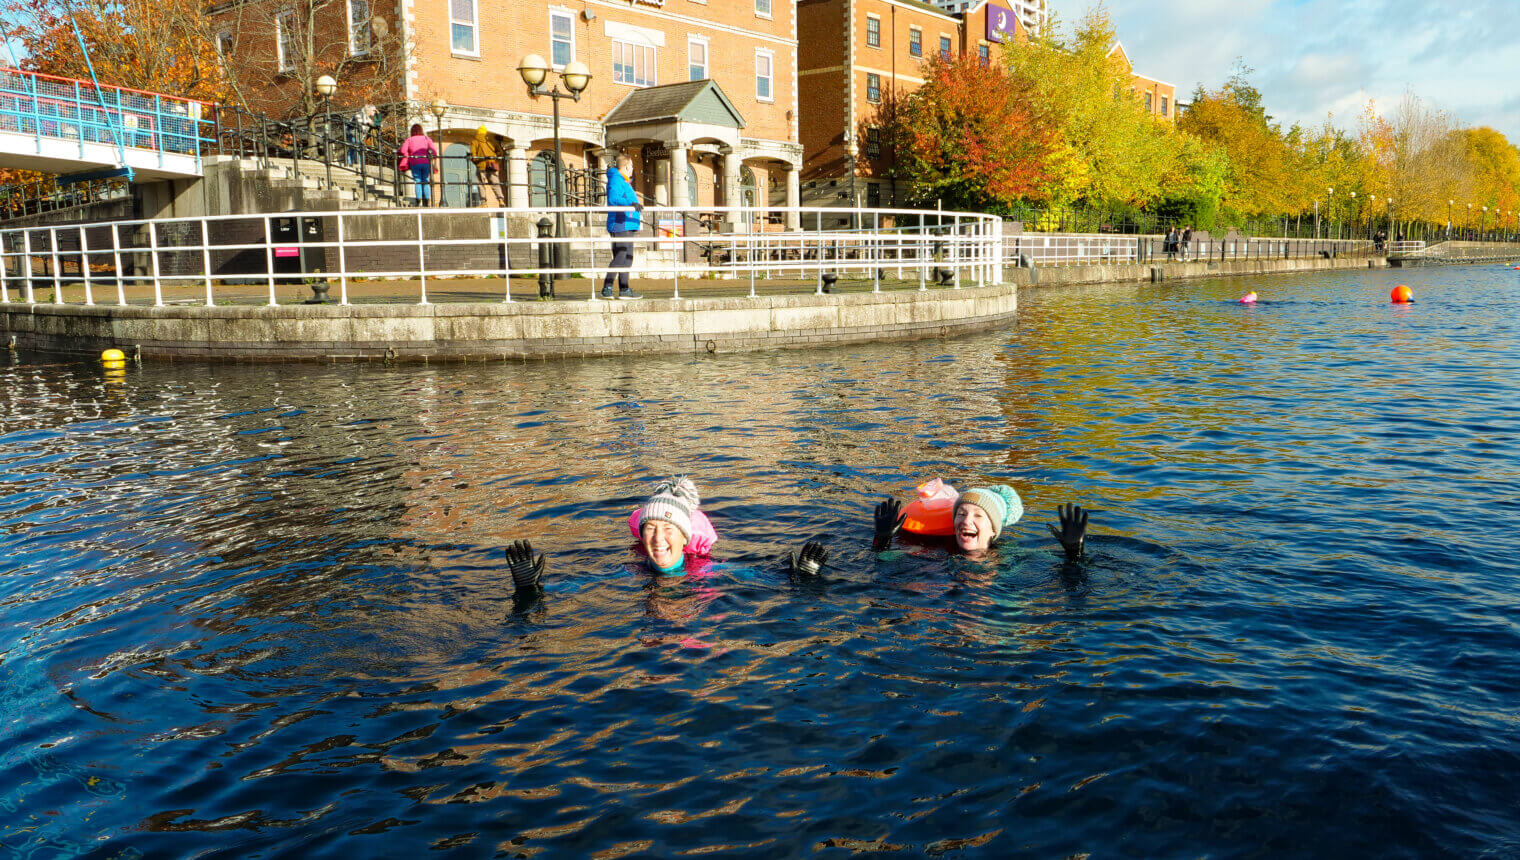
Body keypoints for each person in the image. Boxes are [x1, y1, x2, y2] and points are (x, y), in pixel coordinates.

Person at [873, 485, 1088, 561]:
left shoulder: (1013, 561)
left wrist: (1074, 555)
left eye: (978, 515)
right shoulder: (936, 554)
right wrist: (882, 542)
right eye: (961, 513)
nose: (966, 521)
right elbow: (885, 570)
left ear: (994, 530)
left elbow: (1066, 593)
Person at [602, 152, 643, 300]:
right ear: (626, 166)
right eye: (631, 166)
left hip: (628, 223)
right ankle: (607, 287)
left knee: (627, 257)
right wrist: (631, 203)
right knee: (621, 256)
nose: (632, 169)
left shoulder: (624, 181)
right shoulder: (616, 179)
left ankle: (624, 289)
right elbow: (613, 199)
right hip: (620, 222)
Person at [398, 123, 439, 207]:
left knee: (417, 181)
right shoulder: (426, 139)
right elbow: (434, 152)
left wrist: (407, 154)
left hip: (415, 162)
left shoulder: (409, 140)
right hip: (425, 162)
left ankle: (418, 200)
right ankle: (427, 200)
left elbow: (402, 150)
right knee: (425, 180)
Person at [469, 126, 502, 207]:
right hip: (491, 166)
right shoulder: (490, 141)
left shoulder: (475, 142)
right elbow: (500, 152)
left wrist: (477, 162)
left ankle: (484, 203)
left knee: (481, 184)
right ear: (485, 132)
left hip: (481, 166)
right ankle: (501, 200)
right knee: (495, 183)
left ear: (478, 132)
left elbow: (473, 156)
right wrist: (496, 161)